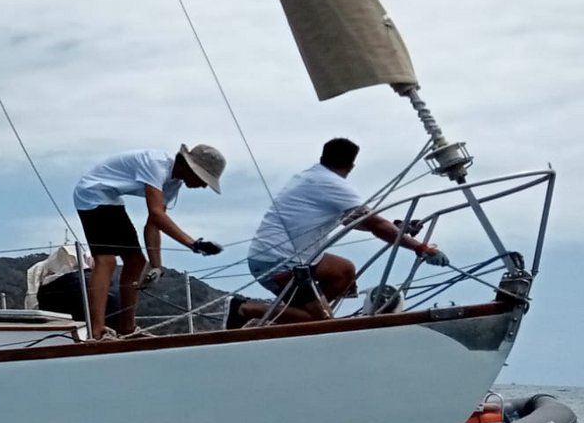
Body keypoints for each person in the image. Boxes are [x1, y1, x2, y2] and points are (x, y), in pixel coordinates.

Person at [227, 138, 448, 327]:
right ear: (351, 165)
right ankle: (245, 309)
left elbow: (354, 221)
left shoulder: (312, 176)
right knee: (319, 321)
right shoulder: (333, 185)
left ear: (323, 157)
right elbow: (375, 225)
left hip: (290, 257)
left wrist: (397, 229)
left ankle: (304, 311)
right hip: (278, 262)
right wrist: (421, 248)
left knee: (344, 271)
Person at [73, 144, 226, 339]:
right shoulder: (157, 165)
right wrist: (193, 244)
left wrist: (156, 266)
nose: (204, 186)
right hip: (91, 193)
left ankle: (128, 329)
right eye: (204, 179)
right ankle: (97, 331)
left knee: (136, 262)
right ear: (191, 169)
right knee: (106, 260)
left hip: (110, 198)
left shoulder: (173, 183)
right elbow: (156, 213)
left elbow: (153, 224)